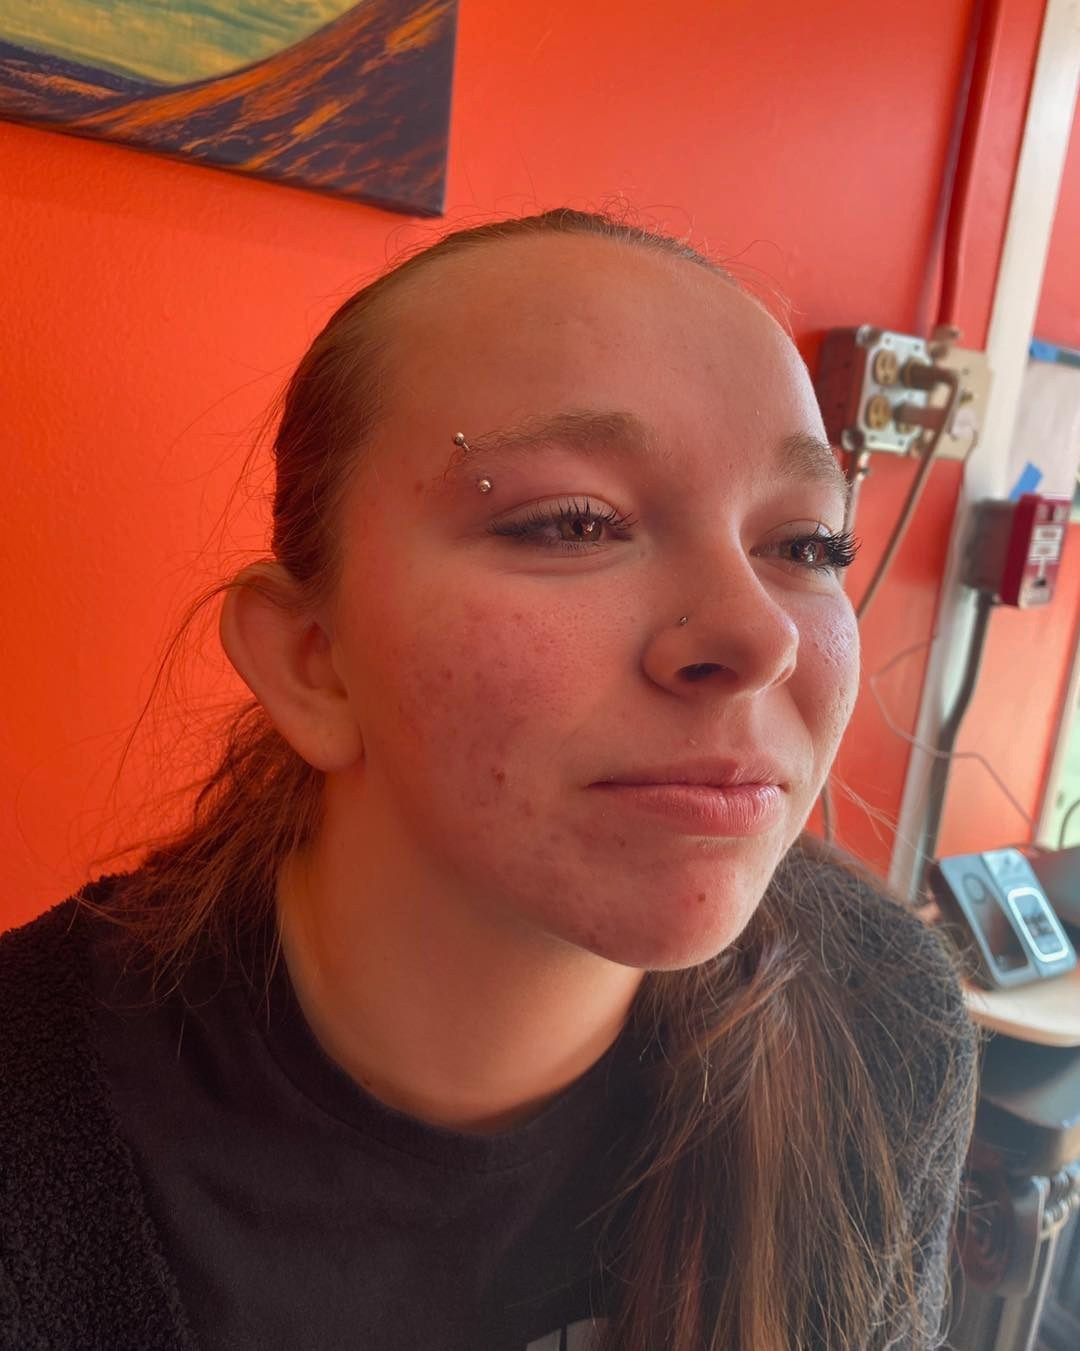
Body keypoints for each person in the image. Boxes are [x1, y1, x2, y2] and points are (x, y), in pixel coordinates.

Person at [0, 209, 977, 1351]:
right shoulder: (36, 1119)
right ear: (314, 661)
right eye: (574, 522)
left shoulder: (881, 1021)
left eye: (807, 545)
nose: (757, 635)